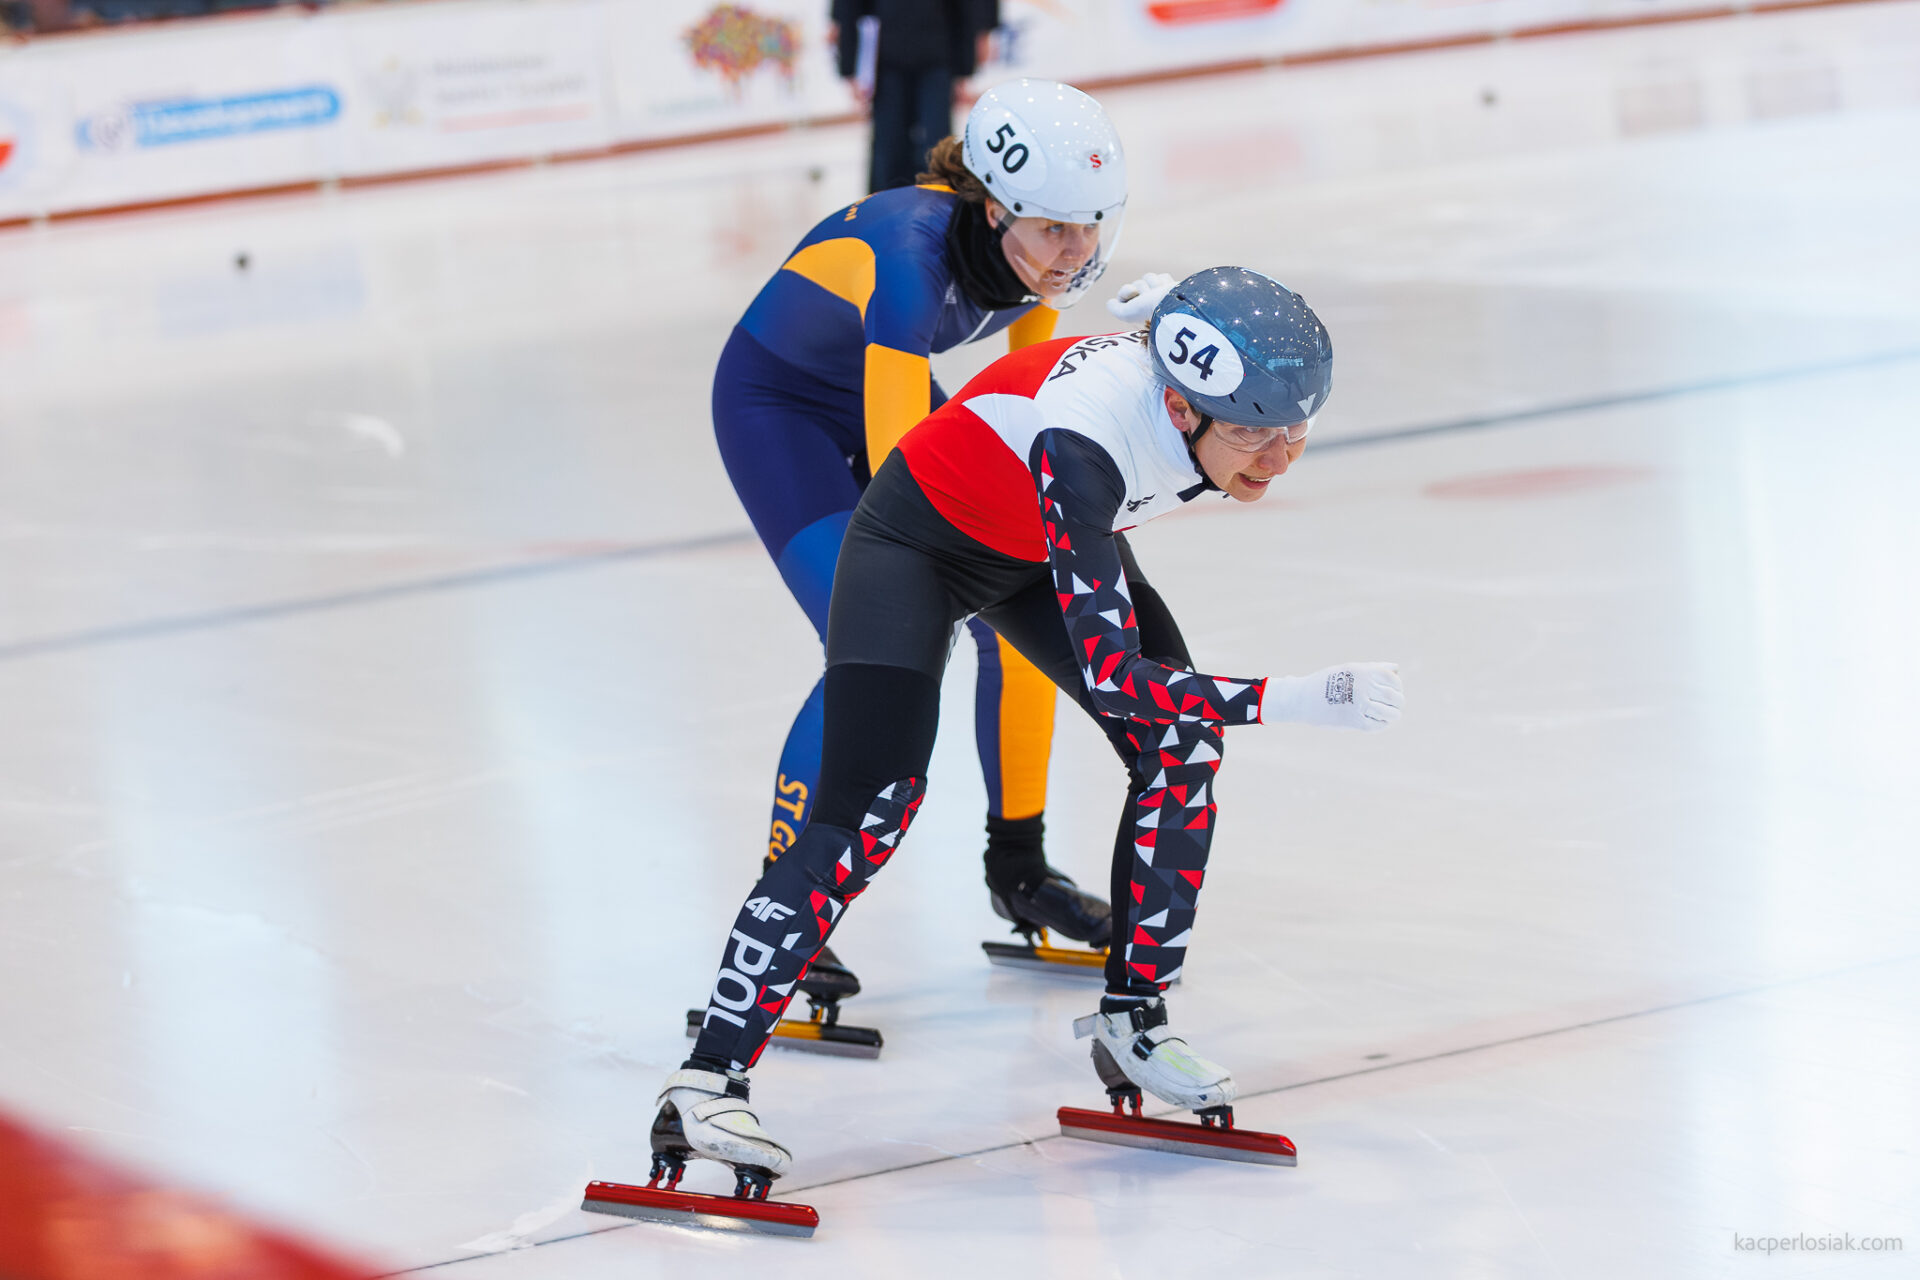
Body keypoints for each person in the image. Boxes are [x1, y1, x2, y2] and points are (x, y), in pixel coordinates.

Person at [657, 267, 1405, 1192]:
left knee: (1181, 751)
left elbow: (1173, 345)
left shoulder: (1195, 392)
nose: (1278, 457)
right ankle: (705, 1082)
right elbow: (1121, 682)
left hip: (1032, 541)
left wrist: (1171, 312)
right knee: (872, 807)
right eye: (1252, 433)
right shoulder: (1084, 441)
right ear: (1179, 409)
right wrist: (1293, 699)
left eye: (1295, 430)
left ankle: (1134, 1022)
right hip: (917, 550)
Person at [713, 79, 1144, 1012]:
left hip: (879, 387)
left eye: (1092, 228)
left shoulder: (1034, 263)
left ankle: (1019, 866)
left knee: (1019, 622)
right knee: (868, 637)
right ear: (994, 211)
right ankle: (786, 901)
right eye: (1056, 229)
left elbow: (1024, 403)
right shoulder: (910, 260)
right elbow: (899, 477)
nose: (1076, 253)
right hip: (778, 410)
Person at [832, 0, 1001, 193]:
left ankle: (943, 204)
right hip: (886, 62)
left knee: (937, 147)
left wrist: (965, 66)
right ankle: (888, 206)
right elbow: (847, 8)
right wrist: (851, 68)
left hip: (937, 57)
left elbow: (966, 7)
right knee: (889, 149)